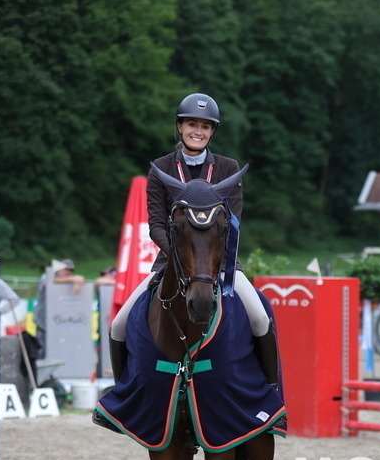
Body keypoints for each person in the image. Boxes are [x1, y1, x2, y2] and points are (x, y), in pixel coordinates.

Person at [108, 93, 281, 390]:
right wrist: (179, 256)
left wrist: (211, 259)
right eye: (191, 124)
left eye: (205, 126)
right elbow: (156, 225)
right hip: (170, 262)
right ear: (179, 126)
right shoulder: (160, 168)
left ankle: (270, 390)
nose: (197, 132)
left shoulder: (228, 168)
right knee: (118, 326)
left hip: (220, 262)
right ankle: (120, 394)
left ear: (212, 131)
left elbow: (232, 224)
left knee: (259, 318)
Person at [34, 259, 86, 357]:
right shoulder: (46, 277)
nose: (68, 272)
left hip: (58, 322)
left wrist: (78, 282)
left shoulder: (69, 280)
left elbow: (81, 279)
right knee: (42, 350)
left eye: (70, 270)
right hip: (43, 320)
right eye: (66, 269)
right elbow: (49, 282)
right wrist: (73, 279)